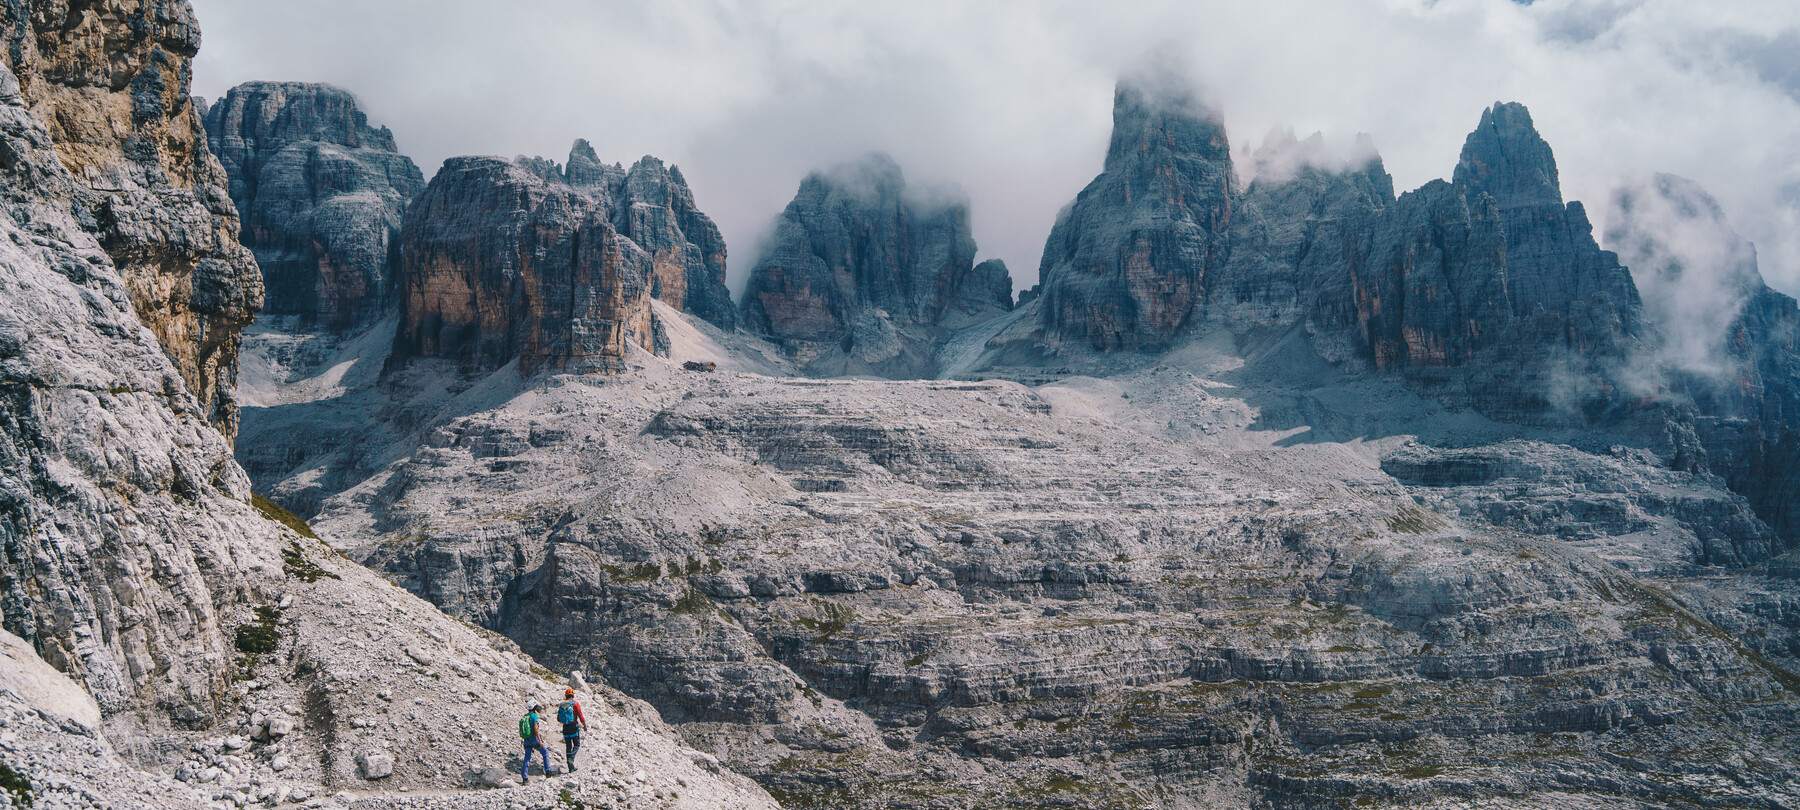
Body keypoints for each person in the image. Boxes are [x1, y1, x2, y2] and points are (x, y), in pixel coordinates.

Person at [519, 701, 551, 783]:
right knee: (545, 752)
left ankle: (524, 778)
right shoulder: (534, 716)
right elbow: (535, 729)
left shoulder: (525, 716)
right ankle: (548, 772)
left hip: (526, 739)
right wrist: (540, 741)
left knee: (527, 758)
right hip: (534, 738)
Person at [557, 688, 589, 771]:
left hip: (565, 727)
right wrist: (584, 725)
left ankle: (570, 768)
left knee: (568, 745)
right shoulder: (575, 704)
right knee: (577, 744)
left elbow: (558, 719)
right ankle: (571, 759)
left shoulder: (562, 705)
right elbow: (580, 716)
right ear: (573, 695)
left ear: (566, 695)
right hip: (573, 726)